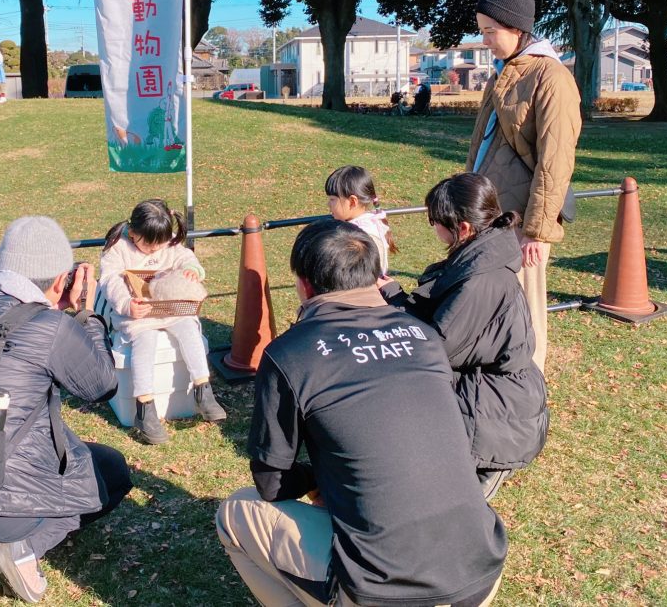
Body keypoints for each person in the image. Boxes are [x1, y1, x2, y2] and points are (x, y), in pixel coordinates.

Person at [216, 219, 508, 607]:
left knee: (234, 512)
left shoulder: (291, 354)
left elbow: (271, 484)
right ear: (376, 276)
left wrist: (322, 477)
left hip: (383, 591)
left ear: (304, 285)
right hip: (482, 571)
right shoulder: (424, 336)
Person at [0, 217, 132, 602]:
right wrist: (85, 313)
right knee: (111, 472)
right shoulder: (51, 328)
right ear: (61, 278)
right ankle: (20, 546)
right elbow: (102, 384)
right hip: (3, 491)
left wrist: (51, 306)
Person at [381, 174, 548, 500]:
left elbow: (433, 347)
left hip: (499, 410)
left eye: (436, 222)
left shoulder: (481, 279)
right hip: (492, 387)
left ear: (464, 228)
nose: (433, 229)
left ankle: (484, 472)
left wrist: (392, 299)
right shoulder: (481, 256)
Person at [467, 0, 581, 373]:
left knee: (526, 303)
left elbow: (556, 160)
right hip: (492, 209)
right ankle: (498, 373)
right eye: (481, 30)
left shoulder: (552, 78)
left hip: (523, 217)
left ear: (516, 29)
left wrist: (537, 228)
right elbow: (484, 142)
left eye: (490, 30)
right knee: (493, 297)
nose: (484, 40)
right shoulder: (505, 71)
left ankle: (527, 382)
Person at [97, 199, 226, 444]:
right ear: (134, 234)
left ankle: (202, 388)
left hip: (169, 306)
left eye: (161, 244)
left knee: (190, 329)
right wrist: (127, 305)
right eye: (151, 245)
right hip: (138, 313)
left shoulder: (168, 241)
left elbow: (184, 256)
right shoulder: (119, 248)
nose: (157, 250)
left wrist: (192, 269)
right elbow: (110, 281)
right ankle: (145, 407)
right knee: (145, 343)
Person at [324, 165, 397, 277]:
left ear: (353, 201)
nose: (328, 204)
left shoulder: (360, 237)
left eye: (332, 199)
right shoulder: (367, 224)